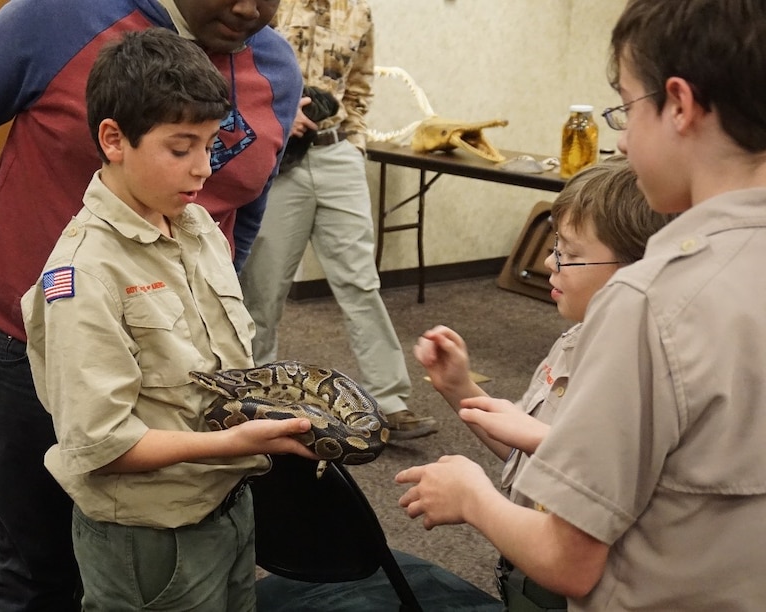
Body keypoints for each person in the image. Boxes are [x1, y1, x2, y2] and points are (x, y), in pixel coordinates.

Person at [0, 1, 302, 609]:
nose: (249, 6)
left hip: (175, 366)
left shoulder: (275, 66)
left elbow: (246, 203)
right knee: (36, 570)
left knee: (169, 548)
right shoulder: (60, 15)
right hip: (30, 345)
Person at [396, 0, 766, 608]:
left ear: (679, 104)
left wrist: (471, 495)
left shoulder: (650, 302)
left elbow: (567, 561)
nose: (619, 136)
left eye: (624, 107)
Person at [21, 28, 316, 611]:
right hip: (151, 534)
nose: (203, 169)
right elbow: (100, 444)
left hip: (225, 502)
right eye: (180, 149)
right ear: (114, 140)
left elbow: (222, 366)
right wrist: (235, 441)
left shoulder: (195, 226)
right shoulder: (85, 273)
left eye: (211, 145)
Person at [413, 157, 673, 611]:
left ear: (637, 269)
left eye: (571, 254)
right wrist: (459, 389)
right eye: (556, 246)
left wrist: (473, 498)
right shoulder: (575, 339)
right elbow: (527, 451)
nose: (551, 261)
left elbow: (589, 510)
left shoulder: (638, 373)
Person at [239, 0, 437, 439]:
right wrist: (273, 120)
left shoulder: (359, 11)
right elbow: (235, 73)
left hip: (336, 155)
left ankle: (389, 402)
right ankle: (254, 400)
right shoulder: (264, 6)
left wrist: (356, 146)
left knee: (360, 283)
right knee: (263, 292)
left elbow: (360, 89)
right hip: (276, 156)